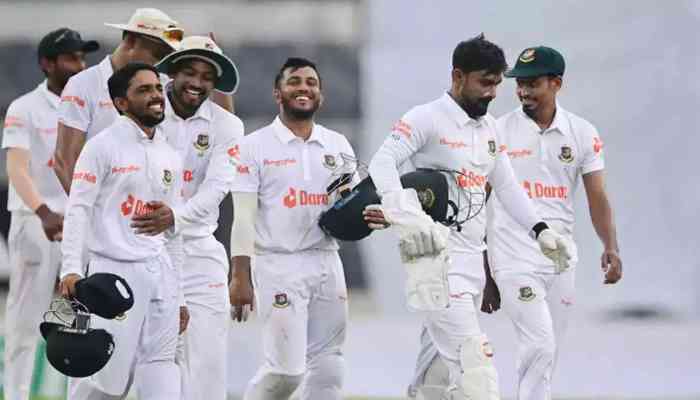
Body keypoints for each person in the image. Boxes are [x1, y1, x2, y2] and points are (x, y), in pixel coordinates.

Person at [364, 35, 571, 400]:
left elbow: (506, 186)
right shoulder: (426, 118)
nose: (492, 93)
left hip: (471, 264)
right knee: (476, 372)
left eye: (496, 84)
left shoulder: (489, 128)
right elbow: (382, 162)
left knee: (435, 379)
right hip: (436, 263)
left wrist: (540, 231)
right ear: (458, 76)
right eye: (484, 83)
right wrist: (404, 213)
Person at [483, 46, 622, 400]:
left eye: (533, 83)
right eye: (520, 84)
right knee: (539, 344)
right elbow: (478, 202)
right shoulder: (498, 131)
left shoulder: (582, 132)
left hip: (560, 259)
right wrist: (484, 269)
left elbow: (597, 197)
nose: (523, 91)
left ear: (556, 83)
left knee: (546, 354)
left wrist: (610, 247)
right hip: (512, 257)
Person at [228, 57, 356, 400]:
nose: (304, 88)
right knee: (285, 373)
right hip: (278, 263)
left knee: (329, 365)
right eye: (294, 81)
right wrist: (240, 275)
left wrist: (370, 216)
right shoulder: (253, 146)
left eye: (311, 83)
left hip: (327, 260)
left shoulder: (338, 144)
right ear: (278, 93)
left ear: (320, 95)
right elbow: (243, 216)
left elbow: (352, 205)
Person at [58, 63, 186, 400]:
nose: (156, 96)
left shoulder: (170, 154)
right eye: (143, 90)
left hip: (161, 275)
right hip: (112, 276)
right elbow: (78, 209)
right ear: (121, 102)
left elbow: (172, 232)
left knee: (163, 371)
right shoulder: (101, 146)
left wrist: (180, 296)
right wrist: (71, 268)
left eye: (157, 88)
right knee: (104, 382)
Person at [128, 36, 244, 400]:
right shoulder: (141, 111)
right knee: (138, 364)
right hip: (139, 246)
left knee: (208, 363)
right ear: (172, 73)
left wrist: (174, 218)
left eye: (207, 77)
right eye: (190, 72)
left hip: (198, 250)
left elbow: (218, 188)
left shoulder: (228, 125)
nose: (197, 83)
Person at [1, 27, 98, 400]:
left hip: (79, 223)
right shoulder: (24, 107)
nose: (80, 65)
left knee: (80, 321)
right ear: (47, 64)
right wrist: (43, 212)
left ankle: (78, 394)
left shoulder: (90, 107)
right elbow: (17, 168)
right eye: (71, 58)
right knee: (26, 321)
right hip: (35, 223)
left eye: (82, 58)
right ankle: (16, 395)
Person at [53, 7, 185, 194]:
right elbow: (65, 160)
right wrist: (87, 207)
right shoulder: (83, 85)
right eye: (158, 55)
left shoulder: (163, 84)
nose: (160, 64)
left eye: (166, 57)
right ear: (131, 42)